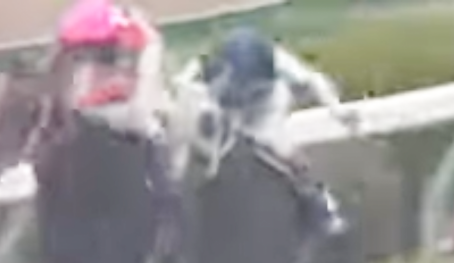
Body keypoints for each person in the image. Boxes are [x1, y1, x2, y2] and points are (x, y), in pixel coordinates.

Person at [173, 26, 349, 238]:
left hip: (266, 104)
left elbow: (314, 80)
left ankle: (318, 203)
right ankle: (175, 202)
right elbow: (181, 89)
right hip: (224, 105)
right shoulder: (205, 66)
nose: (247, 92)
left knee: (279, 149)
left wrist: (336, 109)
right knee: (199, 147)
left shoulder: (280, 61)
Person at [44, 0, 179, 219]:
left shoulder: (73, 42)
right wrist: (151, 43)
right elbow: (139, 107)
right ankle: (166, 197)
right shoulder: (123, 39)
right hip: (106, 117)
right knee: (153, 131)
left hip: (81, 115)